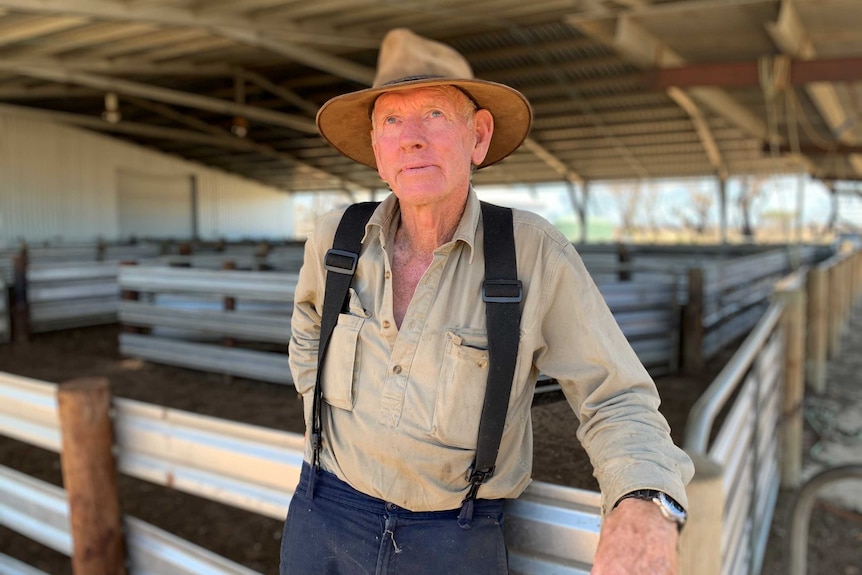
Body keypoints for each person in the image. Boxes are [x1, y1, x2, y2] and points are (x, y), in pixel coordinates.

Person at [282, 28, 694, 575]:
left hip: (454, 533)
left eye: (433, 114)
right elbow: (306, 332)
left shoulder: (530, 253)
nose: (411, 138)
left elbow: (614, 396)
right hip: (324, 510)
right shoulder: (336, 239)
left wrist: (644, 500)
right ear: (378, 151)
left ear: (477, 137)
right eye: (391, 121)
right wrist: (326, 429)